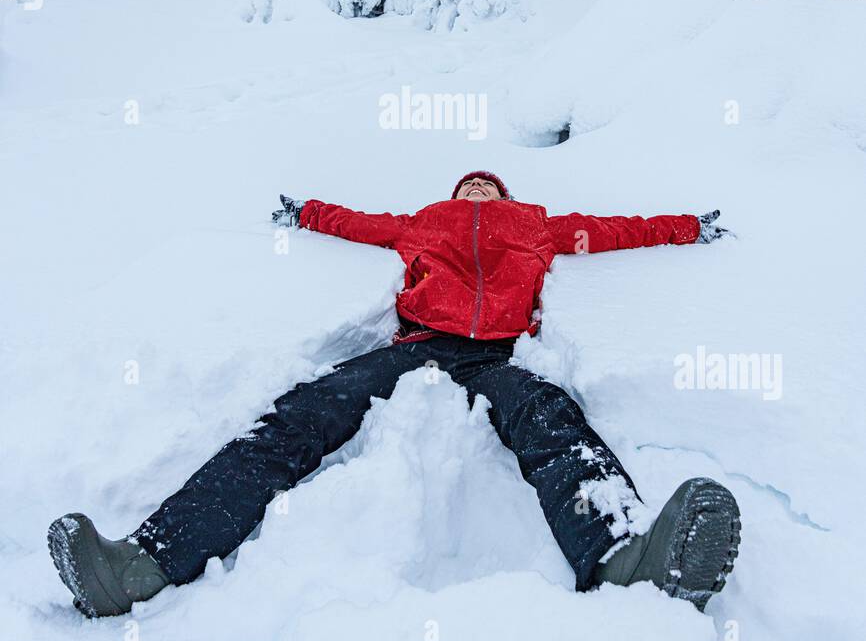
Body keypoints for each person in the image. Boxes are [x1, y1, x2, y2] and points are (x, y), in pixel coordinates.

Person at [48, 171, 740, 618]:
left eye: (486, 188)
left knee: (551, 420)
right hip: (411, 351)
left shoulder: (536, 224)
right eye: (468, 187)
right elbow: (357, 222)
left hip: (495, 358)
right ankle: (141, 564)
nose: (477, 194)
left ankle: (627, 561)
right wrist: (307, 212)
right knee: (297, 416)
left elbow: (619, 231)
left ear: (502, 196)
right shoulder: (424, 221)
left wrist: (687, 227)